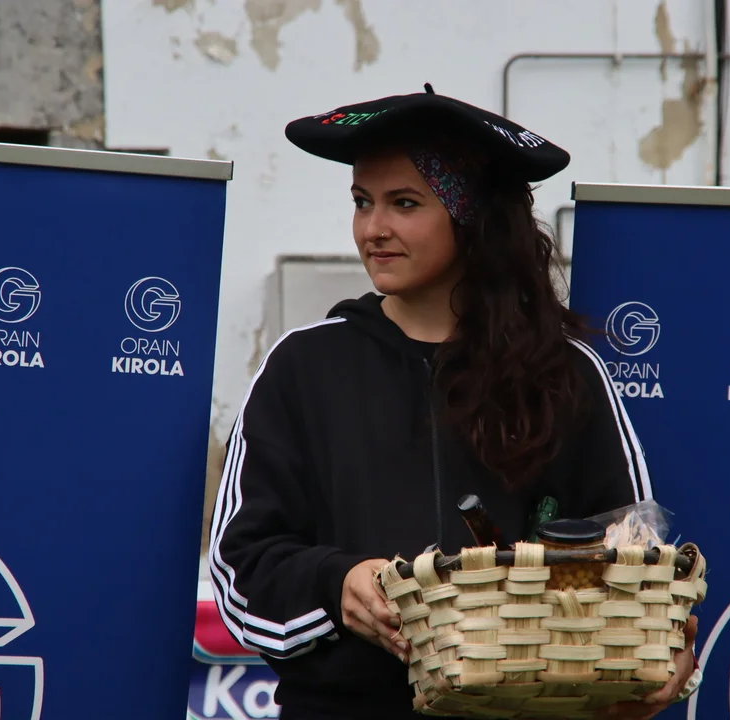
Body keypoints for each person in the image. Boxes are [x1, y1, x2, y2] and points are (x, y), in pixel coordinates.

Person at [208, 83, 701, 720]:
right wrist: (338, 583)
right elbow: (242, 569)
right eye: (362, 202)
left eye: (405, 203)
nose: (374, 228)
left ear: (472, 219)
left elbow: (633, 557)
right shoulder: (302, 368)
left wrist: (663, 645)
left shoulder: (566, 373)